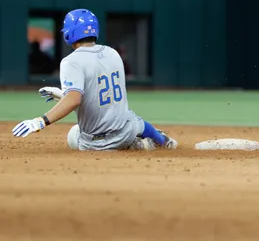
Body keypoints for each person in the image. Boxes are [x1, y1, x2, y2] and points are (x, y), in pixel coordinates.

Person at [12, 9, 178, 151]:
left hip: (96, 143)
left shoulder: (71, 61)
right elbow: (101, 98)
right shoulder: (112, 53)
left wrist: (41, 121)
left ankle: (137, 146)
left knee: (73, 135)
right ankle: (164, 141)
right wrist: (65, 95)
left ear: (70, 33)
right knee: (133, 120)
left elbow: (75, 100)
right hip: (126, 131)